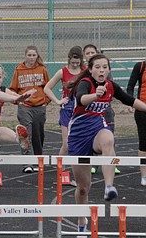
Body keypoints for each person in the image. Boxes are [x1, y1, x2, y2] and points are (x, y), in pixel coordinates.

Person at [66, 54, 146, 232]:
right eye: (98, 67)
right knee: (83, 188)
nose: (101, 70)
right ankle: (81, 222)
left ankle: (109, 186)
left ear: (108, 70)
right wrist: (95, 95)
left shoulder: (110, 86)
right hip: (78, 136)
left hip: (97, 129)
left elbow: (130, 100)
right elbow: (80, 99)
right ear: (91, 69)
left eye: (104, 67)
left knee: (108, 139)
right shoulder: (85, 82)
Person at [9, 45, 50, 173]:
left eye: (34, 55)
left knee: (38, 135)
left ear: (37, 56)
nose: (31, 58)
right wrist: (18, 101)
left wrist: (45, 102)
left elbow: (48, 87)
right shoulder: (19, 69)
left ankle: (38, 160)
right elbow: (13, 89)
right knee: (26, 133)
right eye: (29, 55)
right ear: (25, 55)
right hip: (25, 107)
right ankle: (27, 162)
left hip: (39, 107)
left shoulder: (42, 69)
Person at [83, 44, 120, 174]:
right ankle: (93, 163)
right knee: (91, 138)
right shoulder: (85, 77)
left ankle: (112, 162)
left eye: (92, 52)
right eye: (87, 53)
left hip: (105, 110)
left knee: (109, 137)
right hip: (89, 113)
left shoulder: (105, 73)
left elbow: (117, 92)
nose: (90, 55)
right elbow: (80, 97)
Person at [44, 46, 84, 157]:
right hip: (67, 109)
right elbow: (47, 88)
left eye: (77, 62)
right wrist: (57, 101)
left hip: (81, 108)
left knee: (81, 143)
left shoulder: (85, 71)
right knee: (66, 144)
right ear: (69, 59)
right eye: (73, 62)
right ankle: (61, 171)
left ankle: (80, 169)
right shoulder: (62, 72)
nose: (75, 65)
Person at [126, 59, 146, 186]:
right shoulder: (140, 66)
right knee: (144, 141)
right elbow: (130, 86)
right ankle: (144, 175)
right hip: (142, 109)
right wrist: (130, 102)